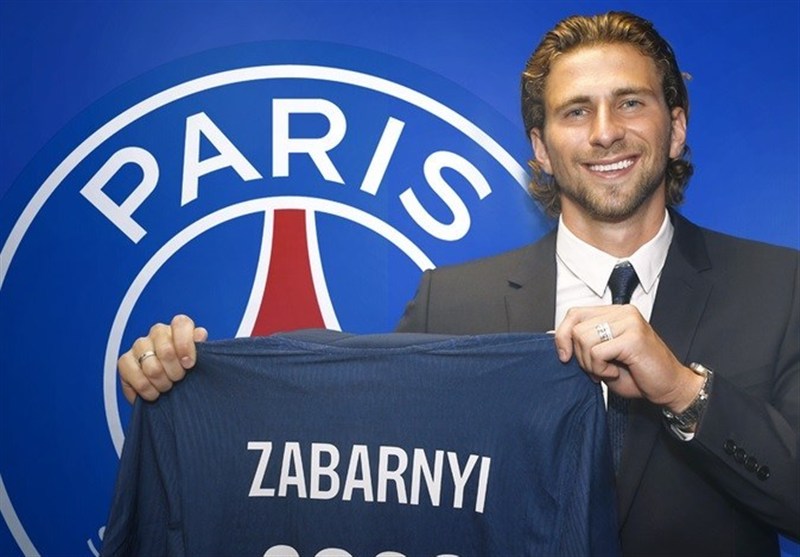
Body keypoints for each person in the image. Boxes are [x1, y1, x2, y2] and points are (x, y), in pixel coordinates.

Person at [117, 11, 799, 556]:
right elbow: (350, 470)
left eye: (630, 103)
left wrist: (681, 389)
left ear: (675, 127)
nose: (604, 133)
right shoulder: (450, 301)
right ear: (540, 147)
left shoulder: (780, 288)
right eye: (574, 111)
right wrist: (186, 384)